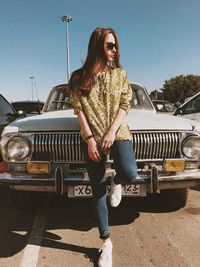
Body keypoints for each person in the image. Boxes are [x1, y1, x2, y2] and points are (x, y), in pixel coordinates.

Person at [69, 27, 137, 267]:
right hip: (91, 139)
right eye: (110, 45)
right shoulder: (79, 77)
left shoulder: (120, 73)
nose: (114, 50)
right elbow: (79, 110)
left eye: (115, 45)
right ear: (97, 46)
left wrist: (110, 132)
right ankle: (106, 242)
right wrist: (89, 139)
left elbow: (125, 104)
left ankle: (116, 181)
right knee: (97, 190)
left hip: (118, 133)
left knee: (130, 172)